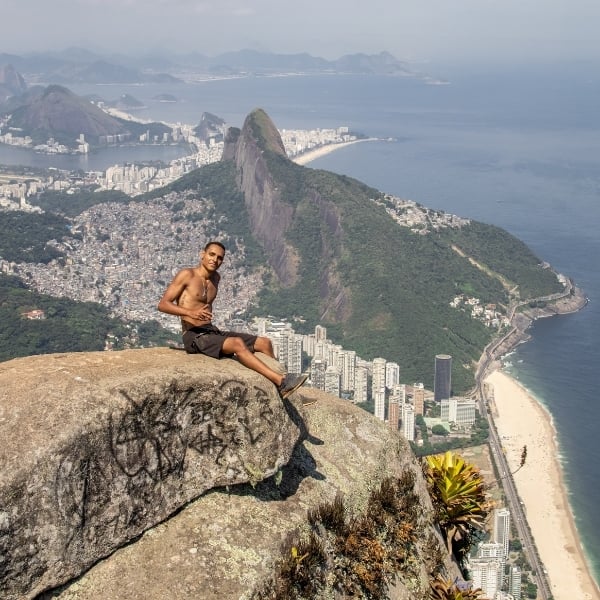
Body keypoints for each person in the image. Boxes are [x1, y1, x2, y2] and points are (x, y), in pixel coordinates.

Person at [157, 241, 307, 399]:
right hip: (193, 336)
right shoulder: (187, 275)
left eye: (220, 258)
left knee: (265, 343)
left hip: (211, 331)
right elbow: (163, 304)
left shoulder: (216, 278)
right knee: (237, 344)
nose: (215, 260)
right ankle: (280, 381)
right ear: (203, 254)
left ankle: (286, 387)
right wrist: (190, 313)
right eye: (211, 254)